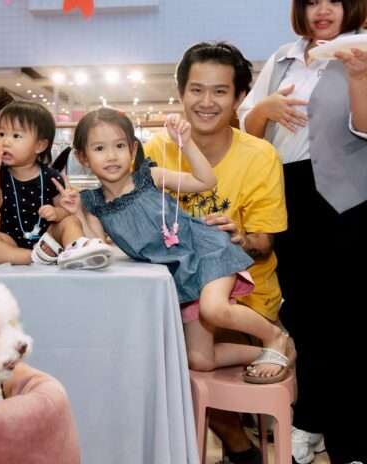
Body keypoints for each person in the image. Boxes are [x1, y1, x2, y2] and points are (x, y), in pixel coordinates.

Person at [61, 108, 292, 378]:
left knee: (214, 309)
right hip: (182, 277)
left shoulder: (149, 177)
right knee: (200, 360)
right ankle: (272, 353)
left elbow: (206, 181)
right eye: (99, 148)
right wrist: (77, 214)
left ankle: (275, 337)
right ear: (82, 157)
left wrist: (187, 142)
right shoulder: (93, 203)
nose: (112, 156)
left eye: (120, 146)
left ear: (133, 149)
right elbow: (98, 245)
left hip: (206, 250)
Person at [145, 42, 289, 463]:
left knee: (188, 368)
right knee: (152, 360)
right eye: (196, 89)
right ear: (181, 93)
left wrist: (238, 237)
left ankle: (240, 446)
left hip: (244, 299)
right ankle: (238, 448)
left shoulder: (260, 156)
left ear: (239, 97)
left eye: (220, 91)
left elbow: (264, 243)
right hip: (174, 298)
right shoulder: (156, 151)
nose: (206, 102)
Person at [237, 1, 367, 462]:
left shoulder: (362, 50)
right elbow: (247, 131)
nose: (322, 10)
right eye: (312, 1)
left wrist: (358, 76)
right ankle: (310, 420)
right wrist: (265, 108)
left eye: (333, 0)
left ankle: (351, 440)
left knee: (348, 318)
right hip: (287, 192)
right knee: (304, 314)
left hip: (348, 195)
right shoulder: (283, 58)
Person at [0, 101, 112, 269]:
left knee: (71, 221)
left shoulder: (51, 176)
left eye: (16, 136)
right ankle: (34, 257)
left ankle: (75, 248)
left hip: (48, 238)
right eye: (1, 134)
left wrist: (56, 212)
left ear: (40, 145)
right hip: (10, 239)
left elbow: (64, 212)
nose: (5, 142)